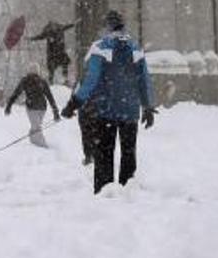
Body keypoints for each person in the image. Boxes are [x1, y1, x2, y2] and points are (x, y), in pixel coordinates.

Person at [61, 11, 156, 193]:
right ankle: (128, 191)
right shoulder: (136, 48)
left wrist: (75, 103)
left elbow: (91, 80)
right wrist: (148, 106)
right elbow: (144, 80)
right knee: (129, 154)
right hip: (129, 112)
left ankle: (105, 193)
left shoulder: (100, 47)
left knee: (104, 154)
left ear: (108, 26)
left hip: (105, 111)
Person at [5, 63, 60, 147]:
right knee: (36, 127)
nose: (33, 74)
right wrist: (9, 105)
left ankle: (33, 142)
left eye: (35, 72)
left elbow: (49, 96)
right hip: (32, 108)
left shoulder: (42, 81)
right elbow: (16, 93)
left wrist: (55, 111)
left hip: (42, 108)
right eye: (32, 72)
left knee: (36, 127)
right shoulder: (25, 81)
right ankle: (43, 146)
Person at [28, 20, 77, 84]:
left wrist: (74, 24)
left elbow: (68, 26)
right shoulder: (48, 31)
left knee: (63, 64)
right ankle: (52, 80)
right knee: (53, 67)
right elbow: (40, 36)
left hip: (59, 52)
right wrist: (31, 39)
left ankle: (64, 79)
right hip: (53, 53)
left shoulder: (59, 28)